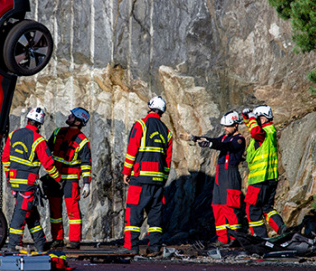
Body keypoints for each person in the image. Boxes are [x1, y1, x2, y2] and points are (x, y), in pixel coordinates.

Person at [2, 107, 61, 252]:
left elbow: (5, 158)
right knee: (20, 214)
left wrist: (9, 176)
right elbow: (48, 163)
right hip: (27, 184)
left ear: (27, 120)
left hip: (15, 182)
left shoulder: (13, 134)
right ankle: (13, 246)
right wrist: (58, 179)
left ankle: (41, 245)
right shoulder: (38, 140)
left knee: (31, 214)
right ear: (39, 125)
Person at [119, 96, 173, 256]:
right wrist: (162, 180)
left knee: (133, 211)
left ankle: (130, 246)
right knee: (155, 216)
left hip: (140, 178)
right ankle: (155, 247)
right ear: (162, 112)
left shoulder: (141, 124)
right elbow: (167, 161)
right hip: (157, 181)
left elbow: (132, 150)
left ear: (149, 108)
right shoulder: (167, 132)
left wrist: (126, 172)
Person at [183, 111, 246, 246]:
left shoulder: (239, 139)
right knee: (217, 207)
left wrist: (210, 145)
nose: (225, 128)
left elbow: (227, 146)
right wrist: (195, 138)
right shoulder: (224, 137)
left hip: (230, 175)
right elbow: (214, 141)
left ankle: (235, 238)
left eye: (227, 126)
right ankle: (222, 238)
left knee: (229, 207)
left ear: (236, 125)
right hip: (220, 176)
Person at [46, 107, 92, 250]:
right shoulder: (58, 132)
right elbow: (46, 151)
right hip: (54, 178)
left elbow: (86, 164)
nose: (69, 116)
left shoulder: (83, 141)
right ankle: (57, 239)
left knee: (73, 211)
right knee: (55, 211)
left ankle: (74, 241)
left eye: (72, 116)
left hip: (70, 180)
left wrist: (86, 183)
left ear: (78, 121)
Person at [241, 104, 287, 238]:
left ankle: (260, 238)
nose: (255, 121)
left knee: (253, 209)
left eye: (257, 118)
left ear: (264, 118)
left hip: (259, 180)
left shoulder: (262, 133)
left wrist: (250, 116)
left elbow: (255, 131)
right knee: (267, 208)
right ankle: (281, 229)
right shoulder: (269, 131)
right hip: (270, 179)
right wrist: (246, 116)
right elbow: (252, 127)